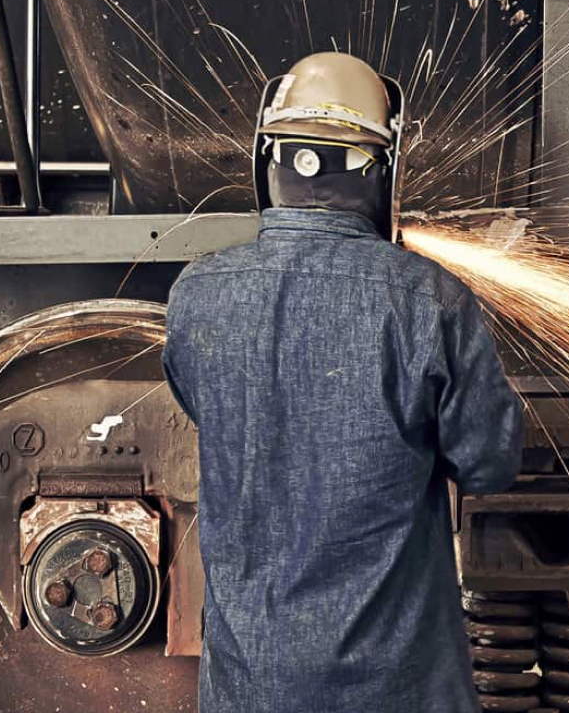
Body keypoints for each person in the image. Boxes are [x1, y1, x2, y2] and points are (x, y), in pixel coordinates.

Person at [162, 52, 524, 712]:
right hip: (397, 685)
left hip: (251, 686)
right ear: (380, 173)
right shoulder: (429, 300)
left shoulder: (197, 294)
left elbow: (199, 404)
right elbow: (490, 464)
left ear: (268, 162)